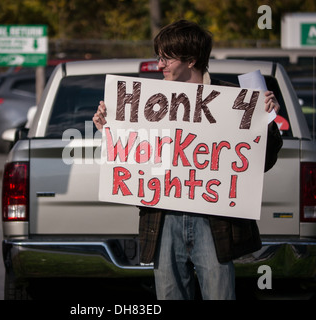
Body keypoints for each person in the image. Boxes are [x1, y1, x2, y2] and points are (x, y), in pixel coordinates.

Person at [93, 19, 282, 300]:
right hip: (163, 218)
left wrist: (267, 121)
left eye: (166, 58)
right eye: (159, 57)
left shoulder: (235, 100)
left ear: (191, 59)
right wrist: (108, 130)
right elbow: (132, 160)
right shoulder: (146, 102)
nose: (159, 65)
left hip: (214, 220)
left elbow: (262, 161)